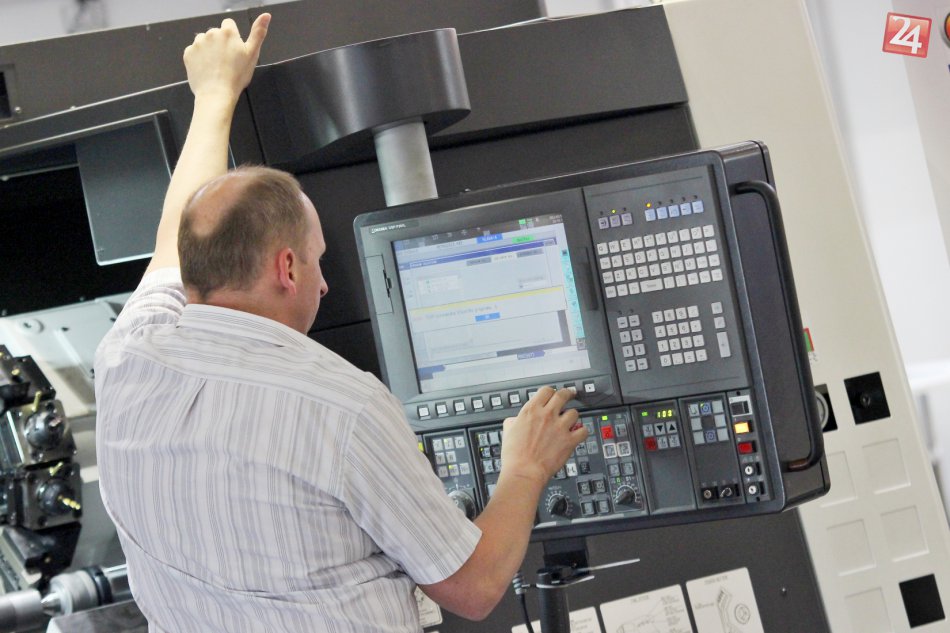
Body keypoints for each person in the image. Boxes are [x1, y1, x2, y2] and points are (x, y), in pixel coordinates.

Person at [94, 14, 588, 633]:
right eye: (317, 259)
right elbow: (475, 584)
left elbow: (178, 234)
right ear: (287, 268)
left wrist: (215, 95)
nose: (325, 283)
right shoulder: (342, 408)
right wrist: (526, 466)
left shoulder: (126, 358)